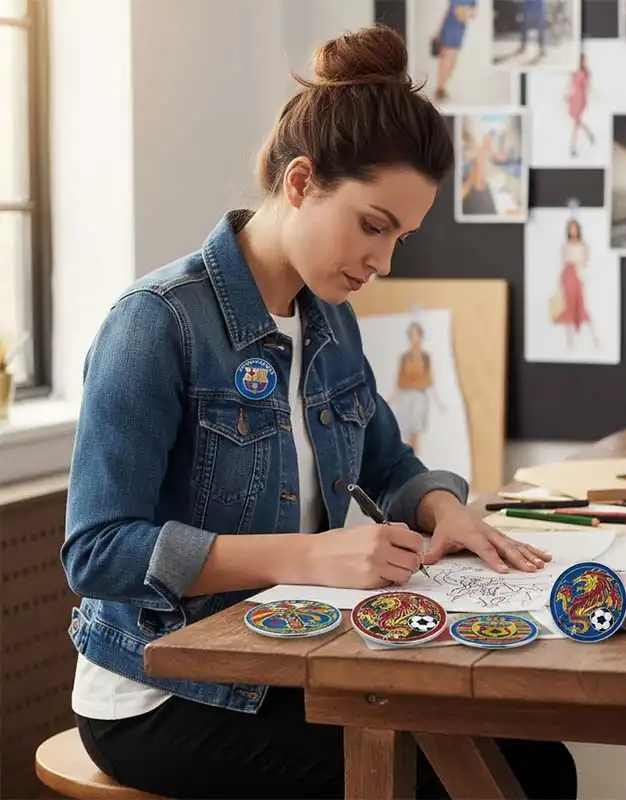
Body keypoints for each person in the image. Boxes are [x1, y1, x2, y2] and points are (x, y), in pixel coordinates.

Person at [61, 23, 578, 800]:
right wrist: (304, 557)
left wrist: (445, 511)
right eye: (373, 226)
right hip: (160, 694)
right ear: (300, 181)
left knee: (539, 764)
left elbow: (387, 461)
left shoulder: (329, 319)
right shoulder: (156, 322)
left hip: (286, 653)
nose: (383, 261)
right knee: (452, 781)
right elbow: (97, 551)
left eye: (401, 237)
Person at [389, 321, 446, 455]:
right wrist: (390, 399)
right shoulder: (404, 357)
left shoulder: (425, 357)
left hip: (419, 396)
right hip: (405, 395)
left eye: (417, 334)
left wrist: (439, 402)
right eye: (412, 334)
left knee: (416, 431)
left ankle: (415, 461)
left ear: (421, 336)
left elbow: (429, 379)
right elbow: (400, 379)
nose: (415, 338)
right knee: (405, 431)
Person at [552, 219, 599, 349]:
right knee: (569, 307)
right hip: (568, 275)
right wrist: (559, 282)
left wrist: (579, 267)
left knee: (580, 305)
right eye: (570, 228)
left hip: (578, 275)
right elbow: (562, 263)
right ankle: (569, 342)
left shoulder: (583, 245)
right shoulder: (565, 245)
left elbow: (585, 261)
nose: (573, 231)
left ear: (578, 230)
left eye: (575, 228)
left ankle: (595, 339)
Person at [432, 0, 477, 103]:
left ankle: (442, 86)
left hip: (460, 28)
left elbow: (474, 13)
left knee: (452, 59)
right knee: (446, 57)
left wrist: (466, 13)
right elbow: (451, 11)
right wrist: (440, 30)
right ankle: (440, 88)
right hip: (450, 26)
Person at [566, 52, 595, 157]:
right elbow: (570, 83)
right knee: (577, 122)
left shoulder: (586, 72)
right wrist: (568, 95)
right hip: (574, 96)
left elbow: (587, 86)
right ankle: (590, 135)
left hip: (581, 97)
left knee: (576, 123)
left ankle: (573, 147)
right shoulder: (575, 71)